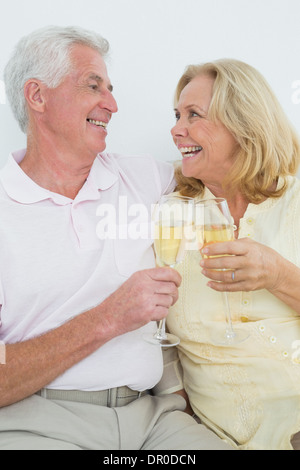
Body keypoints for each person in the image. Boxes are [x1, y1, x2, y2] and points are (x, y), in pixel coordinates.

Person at [0, 26, 231, 450]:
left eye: (111, 88)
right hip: (36, 422)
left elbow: (231, 172)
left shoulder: (144, 178)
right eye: (93, 86)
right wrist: (107, 318)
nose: (112, 104)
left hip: (150, 418)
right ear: (37, 96)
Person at [167, 58, 300, 450]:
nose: (176, 130)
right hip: (214, 438)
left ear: (244, 124)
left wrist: (280, 276)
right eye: (176, 115)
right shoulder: (169, 216)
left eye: (194, 115)